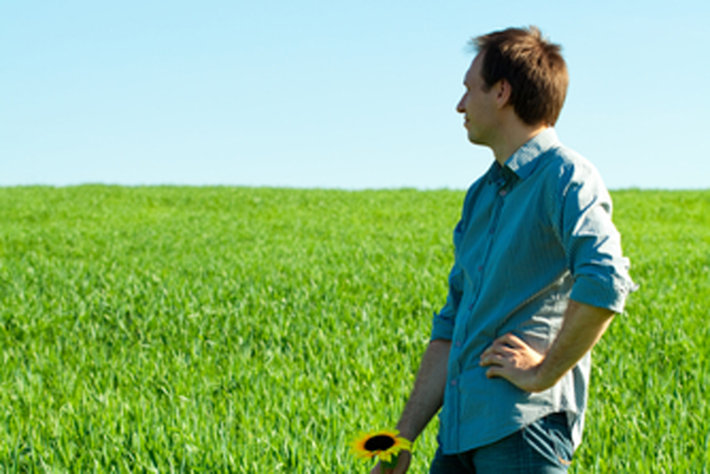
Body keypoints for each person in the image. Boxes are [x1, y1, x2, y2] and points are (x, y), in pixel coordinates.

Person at [371, 26, 636, 473]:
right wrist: (401, 438)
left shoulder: (566, 176)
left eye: (468, 89)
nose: (460, 105)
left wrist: (543, 372)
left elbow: (606, 279)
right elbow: (452, 324)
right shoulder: (480, 195)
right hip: (458, 437)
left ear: (501, 92)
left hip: (523, 432)